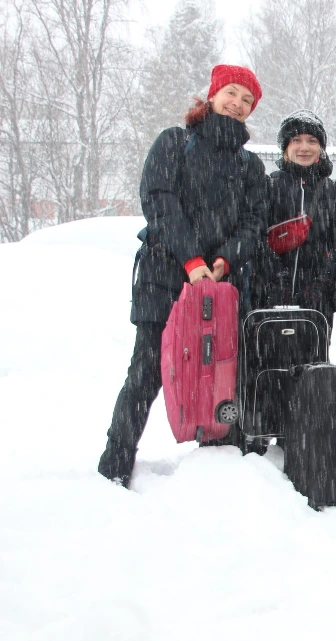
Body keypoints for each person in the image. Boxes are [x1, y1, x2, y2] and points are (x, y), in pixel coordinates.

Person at [98, 65, 269, 487]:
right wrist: (190, 260)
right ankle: (115, 465)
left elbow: (254, 223)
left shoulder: (250, 166)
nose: (237, 104)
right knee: (147, 371)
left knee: (219, 374)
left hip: (219, 287)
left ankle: (213, 468)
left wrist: (224, 261)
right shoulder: (174, 142)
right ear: (212, 95)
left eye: (247, 100)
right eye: (231, 93)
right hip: (164, 276)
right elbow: (159, 201)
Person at [256, 110, 336, 325]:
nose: (304, 147)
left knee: (314, 347)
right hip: (268, 298)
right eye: (296, 140)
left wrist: (324, 283)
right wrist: (274, 278)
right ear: (285, 148)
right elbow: (255, 236)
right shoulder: (268, 187)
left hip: (317, 304)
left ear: (321, 148)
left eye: (312, 140)